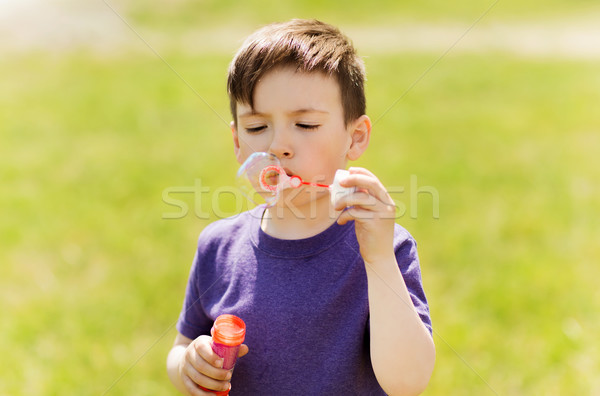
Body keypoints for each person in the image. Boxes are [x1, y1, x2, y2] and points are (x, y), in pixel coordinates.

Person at [166, 19, 435, 395]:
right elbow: (182, 344)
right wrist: (189, 365)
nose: (278, 145)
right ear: (237, 142)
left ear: (354, 138)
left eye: (305, 125)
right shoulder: (218, 246)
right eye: (257, 128)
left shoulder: (385, 248)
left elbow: (408, 382)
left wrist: (378, 261)